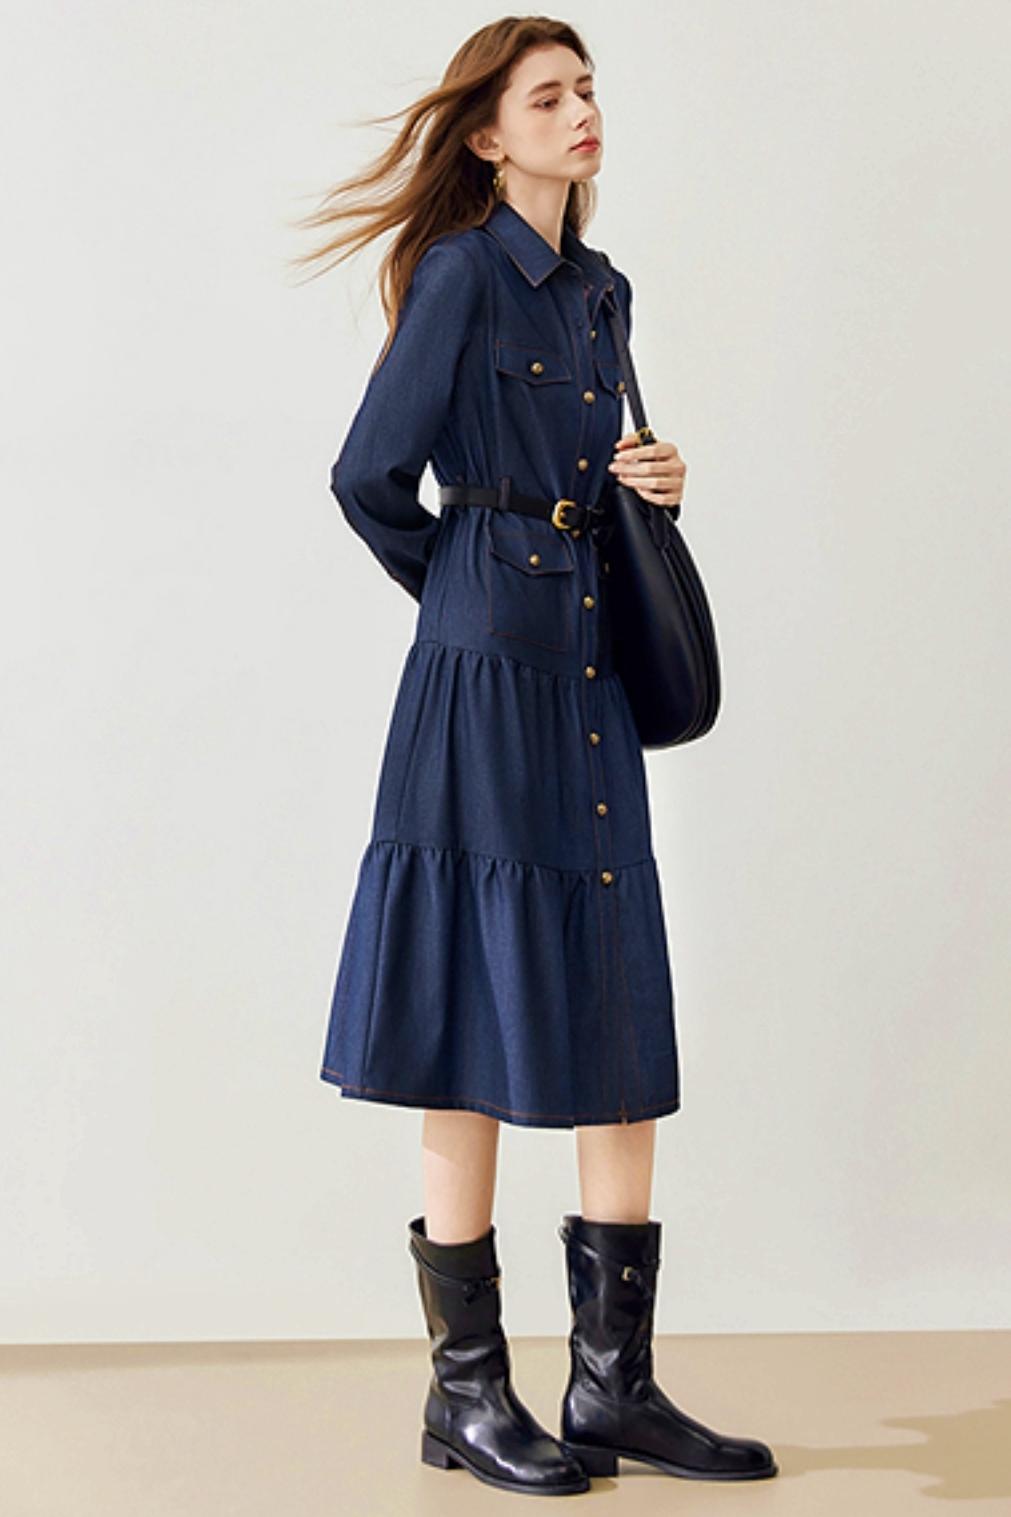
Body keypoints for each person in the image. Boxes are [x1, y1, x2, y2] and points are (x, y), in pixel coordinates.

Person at [293, 16, 778, 1497]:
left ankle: (613, 1385)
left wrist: (652, 480)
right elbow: (368, 476)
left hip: (588, 667)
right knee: (470, 999)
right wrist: (467, 584)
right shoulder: (459, 275)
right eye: (549, 96)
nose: (581, 113)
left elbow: (590, 473)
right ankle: (467, 1393)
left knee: (613, 972)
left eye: (588, 91)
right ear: (490, 135)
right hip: (484, 679)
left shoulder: (601, 289)